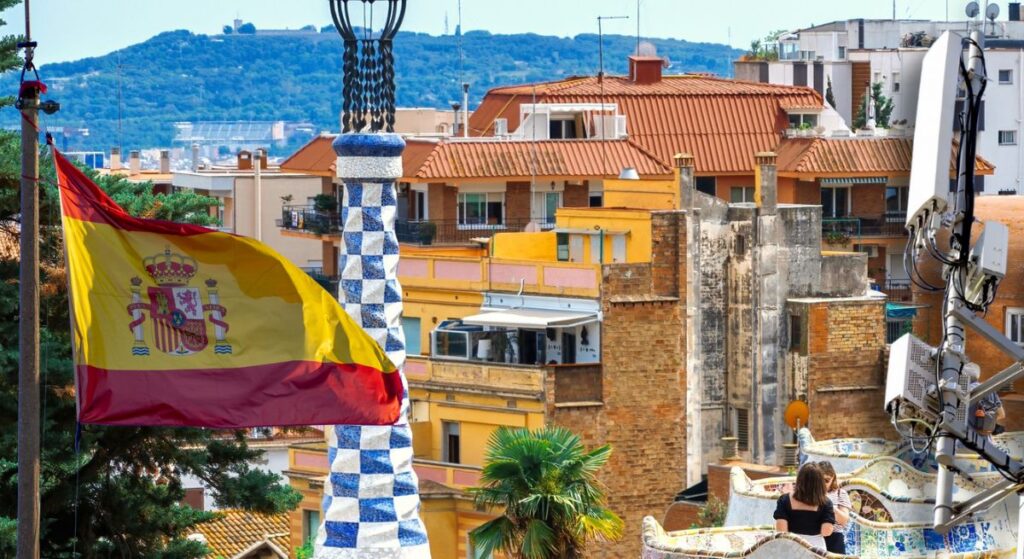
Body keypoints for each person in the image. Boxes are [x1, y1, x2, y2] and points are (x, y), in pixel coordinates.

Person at [773, 463, 835, 550]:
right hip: (815, 548)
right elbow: (826, 532)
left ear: (799, 479)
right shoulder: (826, 502)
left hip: (790, 546)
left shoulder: (784, 500)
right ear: (819, 482)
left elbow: (781, 530)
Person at [817, 461, 851, 554]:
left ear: (833, 479)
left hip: (834, 538)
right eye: (819, 480)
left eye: (826, 480)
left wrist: (827, 503)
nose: (823, 484)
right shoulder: (808, 494)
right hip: (814, 536)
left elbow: (843, 520)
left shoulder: (840, 493)